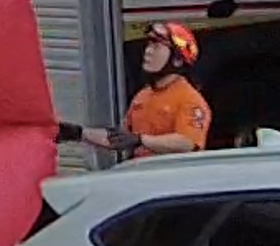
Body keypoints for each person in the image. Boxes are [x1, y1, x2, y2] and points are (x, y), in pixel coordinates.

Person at [82, 23, 211, 160]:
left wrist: (141, 140)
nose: (148, 51)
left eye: (156, 46)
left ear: (177, 60)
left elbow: (187, 143)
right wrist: (80, 133)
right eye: (148, 45)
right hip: (140, 174)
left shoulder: (190, 99)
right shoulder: (143, 95)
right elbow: (121, 138)